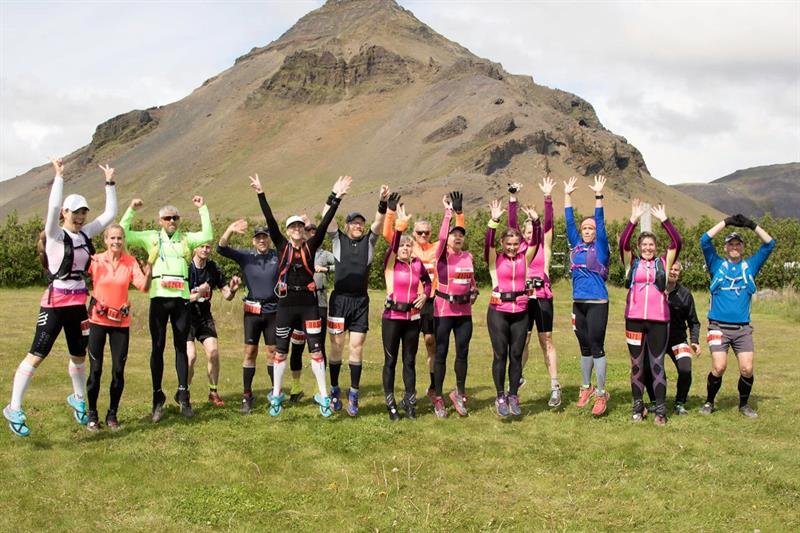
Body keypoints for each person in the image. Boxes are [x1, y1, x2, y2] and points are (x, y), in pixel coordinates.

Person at [4, 158, 117, 437]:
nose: (80, 217)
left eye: (83, 213)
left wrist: (110, 183)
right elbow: (52, 207)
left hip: (78, 306)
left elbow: (110, 214)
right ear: (65, 212)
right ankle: (14, 407)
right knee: (38, 354)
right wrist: (59, 177)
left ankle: (78, 399)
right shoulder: (55, 234)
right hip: (55, 304)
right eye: (75, 213)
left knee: (79, 355)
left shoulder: (86, 234)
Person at [253, 173, 351, 417]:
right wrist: (260, 193)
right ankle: (276, 395)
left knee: (316, 351)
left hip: (309, 305)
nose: (297, 229)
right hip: (285, 305)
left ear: (304, 230)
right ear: (287, 231)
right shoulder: (281, 245)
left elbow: (326, 222)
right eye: (292, 226)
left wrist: (336, 197)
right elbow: (269, 219)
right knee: (281, 351)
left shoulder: (311, 246)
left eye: (300, 226)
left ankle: (324, 396)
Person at [120, 194, 212, 421]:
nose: (172, 221)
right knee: (157, 347)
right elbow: (123, 233)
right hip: (159, 299)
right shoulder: (151, 237)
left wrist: (203, 209)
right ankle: (157, 397)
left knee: (181, 348)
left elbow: (208, 235)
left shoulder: (186, 239)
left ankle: (183, 395)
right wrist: (131, 209)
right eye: (167, 218)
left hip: (181, 301)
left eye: (175, 218)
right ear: (160, 220)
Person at [383, 192, 466, 403]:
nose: (423, 236)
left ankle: (432, 386)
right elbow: (387, 234)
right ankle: (405, 391)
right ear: (413, 233)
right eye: (419, 232)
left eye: (427, 233)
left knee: (431, 342)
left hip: (431, 302)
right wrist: (391, 212)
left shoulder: (436, 248)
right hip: (407, 304)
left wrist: (456, 212)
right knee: (407, 351)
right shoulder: (407, 248)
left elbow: (453, 235)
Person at [699, 214, 775, 418]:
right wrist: (726, 222)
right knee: (719, 366)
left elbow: (769, 244)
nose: (734, 246)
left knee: (747, 369)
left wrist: (752, 225)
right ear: (725, 248)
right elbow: (704, 240)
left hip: (742, 329)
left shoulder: (749, 266)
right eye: (730, 244)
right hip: (717, 327)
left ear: (742, 247)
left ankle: (743, 405)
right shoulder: (716, 264)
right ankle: (709, 402)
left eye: (738, 244)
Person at [324, 184, 390, 416]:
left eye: (360, 223)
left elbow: (379, 223)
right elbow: (326, 217)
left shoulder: (369, 243)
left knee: (356, 347)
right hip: (339, 301)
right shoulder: (337, 240)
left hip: (360, 302)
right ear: (347, 225)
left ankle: (353, 393)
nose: (358, 226)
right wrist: (335, 197)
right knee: (337, 346)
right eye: (354, 223)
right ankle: (333, 389)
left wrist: (382, 201)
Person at [620, 199, 681, 425]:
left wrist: (664, 220)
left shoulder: (664, 262)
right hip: (634, 320)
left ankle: (661, 410)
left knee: (657, 364)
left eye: (651, 245)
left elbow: (677, 241)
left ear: (656, 248)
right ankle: (638, 406)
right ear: (639, 247)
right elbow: (623, 243)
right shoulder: (632, 262)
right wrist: (633, 220)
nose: (647, 249)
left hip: (658, 321)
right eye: (644, 245)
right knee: (636, 364)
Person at [85, 224, 151, 430]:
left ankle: (112, 414)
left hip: (120, 324)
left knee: (118, 371)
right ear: (105, 240)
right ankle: (92, 414)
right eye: (112, 238)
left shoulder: (130, 262)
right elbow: (76, 271)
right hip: (97, 320)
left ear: (124, 241)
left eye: (120, 238)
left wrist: (149, 273)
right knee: (95, 369)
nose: (116, 242)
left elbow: (143, 287)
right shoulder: (95, 260)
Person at [485, 192, 540, 417]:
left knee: (516, 354)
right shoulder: (494, 258)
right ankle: (500, 396)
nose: (512, 247)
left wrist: (536, 221)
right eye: (508, 243)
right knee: (500, 355)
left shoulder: (524, 258)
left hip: (521, 312)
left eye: (516, 243)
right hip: (498, 312)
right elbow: (487, 241)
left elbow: (535, 241)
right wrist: (494, 220)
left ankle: (513, 395)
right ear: (502, 243)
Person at [217, 220, 280, 414]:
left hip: (273, 311)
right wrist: (229, 230)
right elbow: (221, 248)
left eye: (265, 237)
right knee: (249, 353)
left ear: (269, 240)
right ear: (253, 241)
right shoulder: (246, 256)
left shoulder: (278, 256)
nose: (262, 240)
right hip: (252, 313)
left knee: (273, 353)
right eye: (258, 238)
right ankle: (247, 396)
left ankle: (275, 394)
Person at [564, 175, 611, 417]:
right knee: (583, 347)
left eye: (591, 228)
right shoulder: (577, 245)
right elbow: (569, 223)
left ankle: (602, 393)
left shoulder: (600, 245)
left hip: (597, 303)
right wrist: (568, 195)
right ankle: (586, 387)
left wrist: (598, 196)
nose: (588, 230)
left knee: (596, 346)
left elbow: (601, 222)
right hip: (578, 303)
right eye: (585, 228)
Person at [513, 177, 561, 408]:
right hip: (522, 298)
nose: (531, 233)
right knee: (522, 341)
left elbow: (549, 223)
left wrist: (548, 198)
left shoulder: (545, 246)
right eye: (528, 230)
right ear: (523, 233)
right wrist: (513, 200)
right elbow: (511, 224)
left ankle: (554, 387)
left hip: (542, 298)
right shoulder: (521, 248)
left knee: (546, 340)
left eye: (534, 230)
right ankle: (516, 381)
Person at [381, 204, 432, 420]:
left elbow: (428, 284)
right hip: (392, 318)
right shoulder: (391, 264)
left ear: (412, 248)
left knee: (409, 361)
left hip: (413, 318)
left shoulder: (417, 264)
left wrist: (425, 295)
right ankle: (391, 404)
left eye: (407, 246)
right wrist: (399, 227)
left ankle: (410, 402)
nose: (404, 248)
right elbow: (393, 244)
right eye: (401, 246)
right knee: (391, 361)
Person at [431, 193, 477, 418]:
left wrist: (474, 291)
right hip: (443, 310)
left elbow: (471, 281)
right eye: (454, 235)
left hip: (464, 311)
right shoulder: (442, 255)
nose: (457, 237)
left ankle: (459, 393)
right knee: (441, 353)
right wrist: (449, 212)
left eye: (460, 235)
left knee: (463, 353)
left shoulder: (468, 256)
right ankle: (438, 397)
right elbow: (441, 237)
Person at [285, 221, 336, 403]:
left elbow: (341, 264)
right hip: (298, 303)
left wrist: (326, 269)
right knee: (297, 346)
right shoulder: (296, 250)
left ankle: (318, 390)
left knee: (318, 347)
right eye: (309, 231)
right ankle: (296, 386)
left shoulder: (323, 253)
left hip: (319, 303)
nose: (312, 233)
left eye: (315, 231)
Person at [643, 260, 701, 416]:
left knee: (685, 369)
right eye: (671, 269)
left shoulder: (685, 294)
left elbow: (694, 321)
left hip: (678, 340)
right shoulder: (653, 289)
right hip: (656, 339)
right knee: (647, 368)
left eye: (677, 270)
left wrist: (694, 340)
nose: (673, 272)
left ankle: (679, 403)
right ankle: (655, 401)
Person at [186, 242, 240, 407]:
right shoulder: (185, 268)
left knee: (214, 352)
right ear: (194, 248)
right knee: (190, 357)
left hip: (204, 317)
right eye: (201, 246)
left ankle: (213, 391)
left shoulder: (213, 268)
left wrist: (232, 289)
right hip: (186, 316)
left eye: (208, 247)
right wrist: (198, 294)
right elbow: (180, 298)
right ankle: (184, 391)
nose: (205, 249)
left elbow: (226, 295)